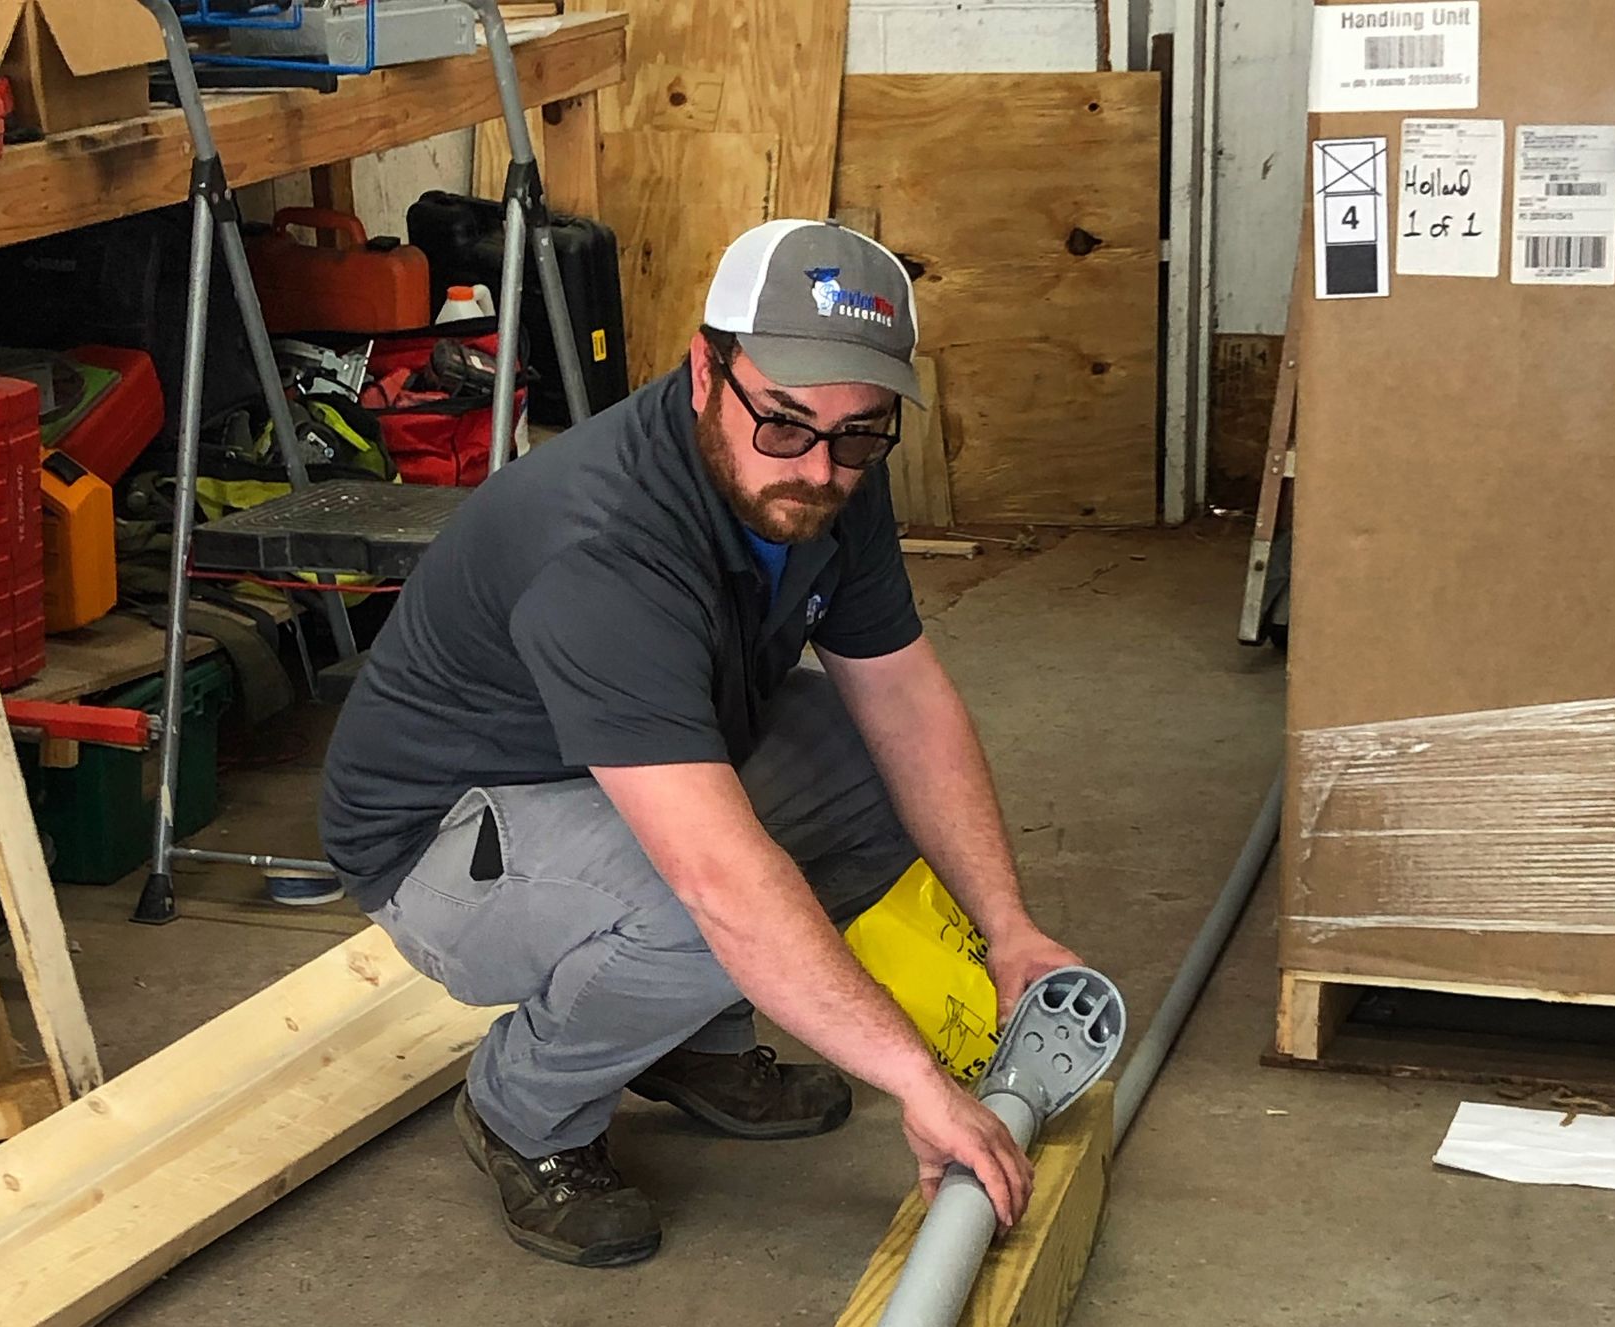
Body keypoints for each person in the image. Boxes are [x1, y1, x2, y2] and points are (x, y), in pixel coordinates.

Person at [321, 219, 1078, 1268]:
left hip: (603, 771)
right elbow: (720, 875)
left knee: (848, 759)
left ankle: (682, 1038)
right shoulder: (601, 547)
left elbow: (902, 696)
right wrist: (917, 1082)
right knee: (695, 906)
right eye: (784, 423)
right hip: (445, 846)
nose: (818, 466)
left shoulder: (820, 469)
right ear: (702, 370)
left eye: (859, 434)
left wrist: (1009, 931)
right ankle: (523, 1111)